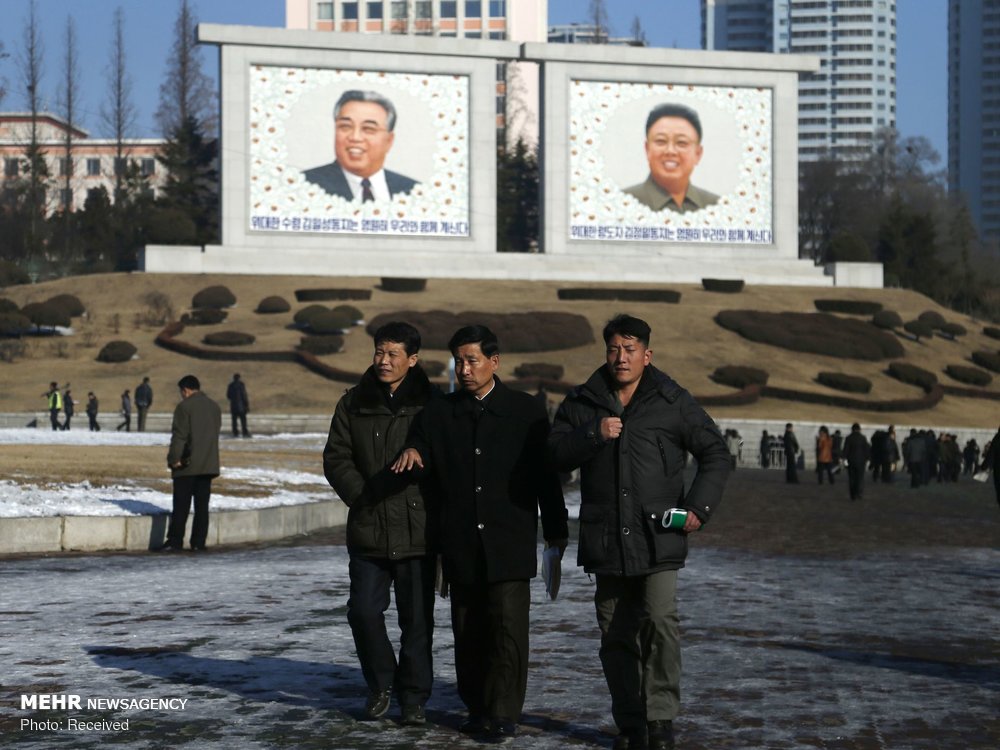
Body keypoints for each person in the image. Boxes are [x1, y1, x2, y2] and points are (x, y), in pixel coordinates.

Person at [548, 314, 731, 750]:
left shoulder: (672, 400)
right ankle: (631, 722)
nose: (621, 357)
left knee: (660, 622)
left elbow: (716, 454)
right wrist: (594, 434)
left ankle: (661, 720)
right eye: (614, 348)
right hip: (606, 538)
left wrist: (697, 509)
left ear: (647, 355)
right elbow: (553, 455)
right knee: (614, 633)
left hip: (658, 538)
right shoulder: (582, 403)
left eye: (630, 350)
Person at [391, 325, 568, 741]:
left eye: (472, 360)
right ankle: (476, 707)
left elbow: (546, 479)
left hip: (510, 540)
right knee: (468, 631)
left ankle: (504, 711)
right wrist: (415, 450)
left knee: (508, 631)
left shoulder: (526, 412)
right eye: (459, 360)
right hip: (460, 542)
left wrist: (556, 532)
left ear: (494, 361)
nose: (464, 369)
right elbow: (421, 445)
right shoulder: (440, 412)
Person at [323, 322, 439, 726]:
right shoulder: (353, 402)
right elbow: (336, 458)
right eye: (379, 352)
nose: (384, 361)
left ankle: (414, 697)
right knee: (363, 612)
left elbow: (448, 454)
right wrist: (363, 495)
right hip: (369, 527)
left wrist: (421, 454)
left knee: (417, 621)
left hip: (419, 529)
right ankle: (381, 683)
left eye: (393, 354)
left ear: (413, 358)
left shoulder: (434, 402)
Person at [302, 89, 418, 202]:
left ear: (389, 141)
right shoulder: (304, 186)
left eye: (368, 129)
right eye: (345, 126)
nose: (355, 137)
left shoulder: (414, 192)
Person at [158, 375, 222, 552]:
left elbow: (180, 436)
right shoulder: (214, 407)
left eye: (181, 392)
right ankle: (198, 542)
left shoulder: (184, 407)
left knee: (181, 505)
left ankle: (175, 540)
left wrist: (174, 459)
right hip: (208, 465)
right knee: (202, 507)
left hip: (188, 465)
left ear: (185, 390)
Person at [624, 103, 720, 214]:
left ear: (698, 154)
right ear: (647, 149)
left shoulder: (717, 207)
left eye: (681, 142)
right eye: (661, 141)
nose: (670, 151)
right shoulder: (623, 203)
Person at [843, 423, 871, 501]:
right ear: (859, 429)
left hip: (851, 461)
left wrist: (844, 459)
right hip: (861, 461)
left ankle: (853, 494)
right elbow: (866, 449)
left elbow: (846, 450)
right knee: (860, 478)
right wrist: (868, 459)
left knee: (852, 478)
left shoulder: (848, 438)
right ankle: (859, 493)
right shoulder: (863, 438)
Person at [226, 373, 251, 438]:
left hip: (234, 406)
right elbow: (244, 395)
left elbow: (228, 396)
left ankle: (235, 432)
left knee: (234, 421)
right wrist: (246, 405)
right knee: (243, 420)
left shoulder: (230, 385)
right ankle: (244, 432)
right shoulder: (241, 385)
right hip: (241, 406)